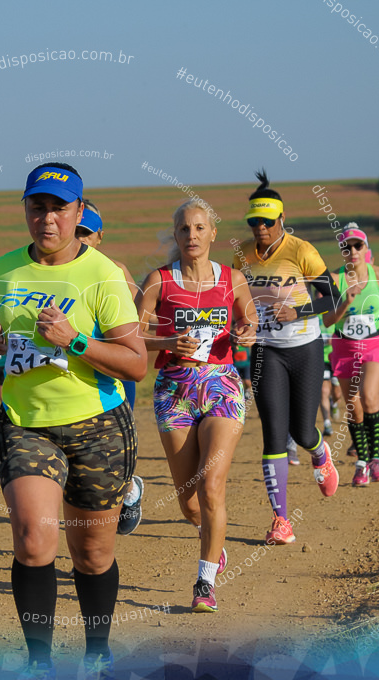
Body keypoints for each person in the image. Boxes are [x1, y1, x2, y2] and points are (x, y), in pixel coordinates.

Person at [0, 164, 146, 679]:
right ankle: (39, 662)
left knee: (91, 554)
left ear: (79, 212)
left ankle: (96, 651)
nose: (47, 219)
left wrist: (75, 340)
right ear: (25, 209)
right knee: (32, 538)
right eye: (37, 207)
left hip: (98, 426)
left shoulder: (103, 274)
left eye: (59, 209)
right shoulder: (3, 270)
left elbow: (135, 362)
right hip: (26, 424)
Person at [138, 197, 256, 613]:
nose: (192, 235)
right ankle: (213, 540)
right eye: (185, 229)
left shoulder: (232, 278)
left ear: (213, 233)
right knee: (189, 502)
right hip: (174, 390)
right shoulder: (158, 281)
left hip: (221, 385)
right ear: (176, 235)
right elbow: (132, 337)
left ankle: (204, 583)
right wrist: (167, 342)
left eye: (200, 228)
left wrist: (245, 332)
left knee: (211, 486)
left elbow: (250, 320)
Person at [232, 170, 340, 544]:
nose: (260, 228)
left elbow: (333, 298)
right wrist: (240, 325)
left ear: (281, 220)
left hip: (305, 348)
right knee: (274, 433)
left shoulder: (302, 251)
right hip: (265, 350)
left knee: (302, 430)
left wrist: (300, 311)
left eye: (266, 222)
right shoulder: (242, 255)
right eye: (253, 222)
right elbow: (235, 298)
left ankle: (319, 451)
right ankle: (281, 520)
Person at [75, 199, 145, 537]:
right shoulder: (53, 272)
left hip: (113, 375)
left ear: (100, 236)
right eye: (75, 231)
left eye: (86, 233)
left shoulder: (114, 270)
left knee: (116, 447)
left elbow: (145, 319)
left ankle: (129, 490)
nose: (80, 238)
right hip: (73, 375)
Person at [324, 227, 379, 486]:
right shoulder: (334, 280)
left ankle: (376, 458)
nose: (352, 252)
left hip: (375, 344)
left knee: (370, 398)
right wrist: (345, 304)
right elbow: (327, 320)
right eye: (346, 248)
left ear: (366, 248)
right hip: (344, 347)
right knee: (354, 408)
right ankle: (362, 462)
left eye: (357, 246)